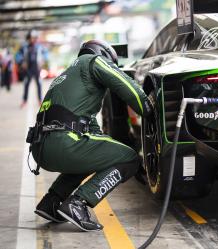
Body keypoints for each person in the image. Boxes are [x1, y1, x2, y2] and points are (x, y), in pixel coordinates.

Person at [30, 40, 153, 231]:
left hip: (41, 149)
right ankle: (78, 203)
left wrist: (108, 152)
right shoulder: (93, 61)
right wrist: (148, 109)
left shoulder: (68, 76)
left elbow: (92, 130)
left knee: (93, 155)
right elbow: (125, 85)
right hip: (63, 143)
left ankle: (51, 202)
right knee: (129, 159)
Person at [16, 30, 47, 108]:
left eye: (35, 38)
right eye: (32, 38)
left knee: (39, 84)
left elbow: (46, 54)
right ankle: (24, 100)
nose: (34, 39)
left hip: (36, 68)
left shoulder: (39, 47)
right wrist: (22, 62)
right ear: (29, 38)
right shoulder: (24, 47)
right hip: (28, 68)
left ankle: (40, 100)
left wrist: (43, 60)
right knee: (26, 84)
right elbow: (17, 56)